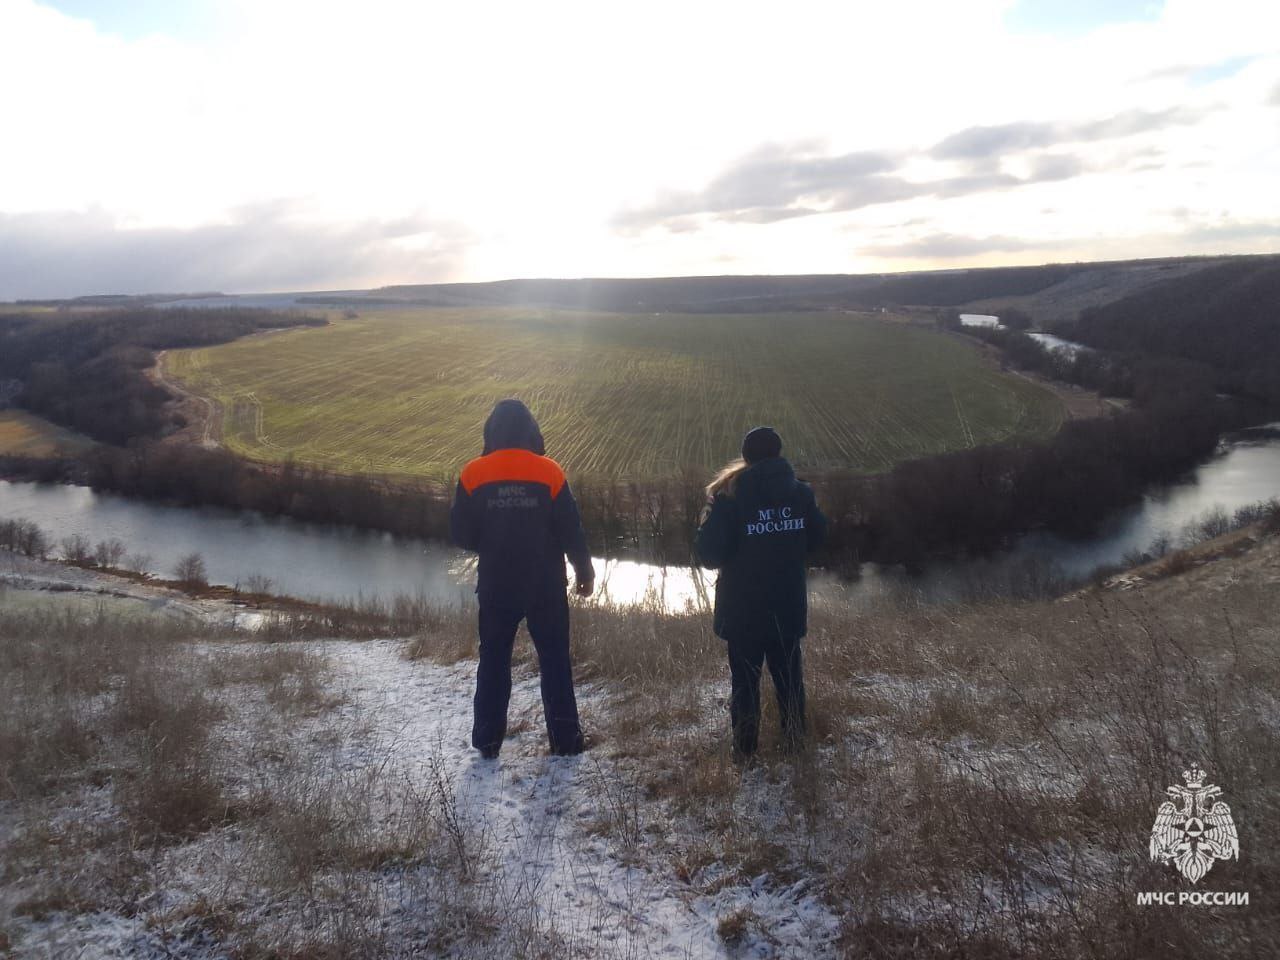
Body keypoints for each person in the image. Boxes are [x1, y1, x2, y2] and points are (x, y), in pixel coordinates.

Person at [450, 398, 594, 759]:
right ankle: (565, 743)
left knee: (494, 660)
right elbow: (571, 530)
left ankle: (487, 742)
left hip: (497, 584)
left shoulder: (473, 473)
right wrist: (584, 572)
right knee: (555, 661)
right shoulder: (550, 472)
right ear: (531, 430)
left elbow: (460, 535)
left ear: (491, 430)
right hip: (545, 585)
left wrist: (492, 539)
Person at [694, 426, 827, 760]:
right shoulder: (801, 494)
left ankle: (746, 754)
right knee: (790, 682)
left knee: (745, 686)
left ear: (747, 457)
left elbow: (708, 555)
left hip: (743, 611)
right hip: (787, 605)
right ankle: (797, 749)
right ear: (779, 454)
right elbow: (817, 540)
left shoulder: (728, 497)